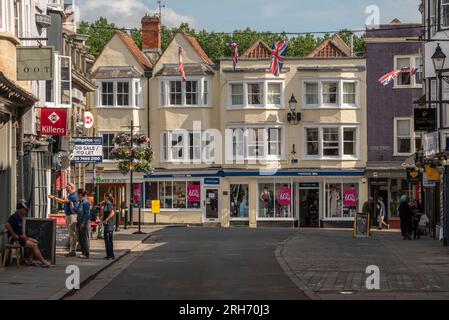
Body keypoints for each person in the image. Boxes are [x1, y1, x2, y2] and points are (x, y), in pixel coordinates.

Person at [4, 200, 51, 268]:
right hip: (17, 239)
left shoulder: (20, 217)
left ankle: (30, 260)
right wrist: (14, 235)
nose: (26, 212)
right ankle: (44, 262)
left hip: (21, 237)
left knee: (36, 242)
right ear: (20, 209)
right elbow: (7, 224)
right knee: (34, 245)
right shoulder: (14, 216)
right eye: (25, 210)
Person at [48, 183, 79, 257]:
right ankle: (72, 250)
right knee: (71, 233)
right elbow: (64, 200)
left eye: (67, 187)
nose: (66, 188)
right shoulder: (70, 195)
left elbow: (65, 202)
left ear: (71, 187)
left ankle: (72, 251)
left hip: (72, 215)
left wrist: (54, 198)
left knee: (72, 234)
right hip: (69, 215)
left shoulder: (73, 195)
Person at [100, 193, 115, 260]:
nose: (103, 198)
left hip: (109, 224)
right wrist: (101, 207)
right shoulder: (106, 204)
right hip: (107, 224)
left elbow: (112, 212)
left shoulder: (109, 203)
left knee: (108, 240)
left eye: (104, 197)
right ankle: (109, 254)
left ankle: (110, 255)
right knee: (107, 240)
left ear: (107, 197)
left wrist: (106, 219)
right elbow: (104, 214)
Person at [76, 189, 91, 259]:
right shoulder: (80, 202)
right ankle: (83, 253)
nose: (77, 196)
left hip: (84, 222)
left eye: (78, 194)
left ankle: (86, 254)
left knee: (85, 238)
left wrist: (83, 223)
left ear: (80, 195)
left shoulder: (85, 202)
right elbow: (78, 211)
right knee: (82, 238)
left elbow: (87, 214)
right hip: (80, 221)